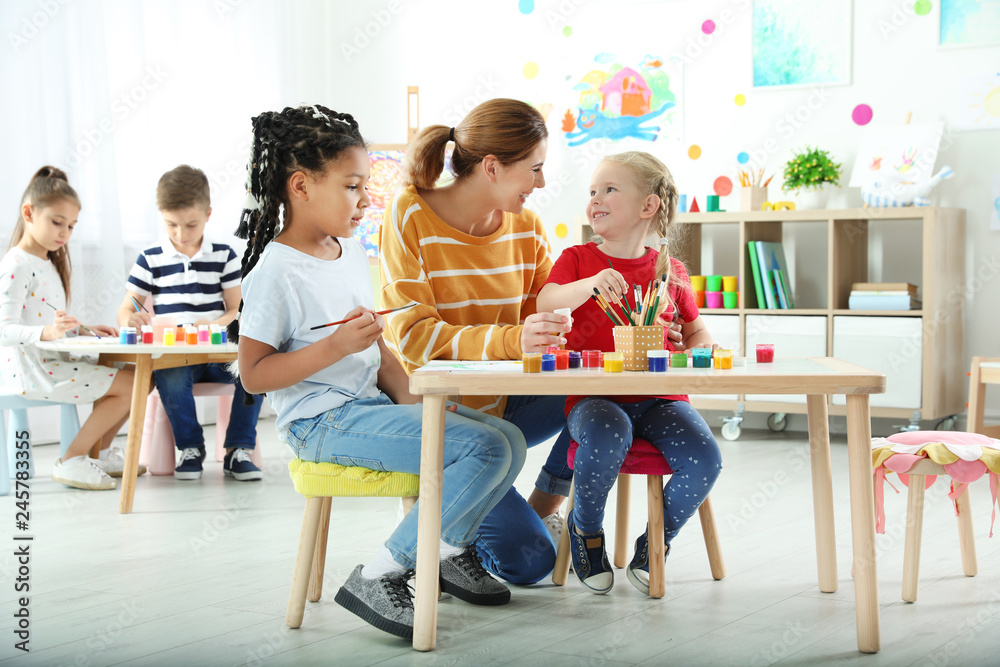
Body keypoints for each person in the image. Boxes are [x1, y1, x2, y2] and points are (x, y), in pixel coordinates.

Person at [229, 104, 527, 640]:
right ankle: (381, 572)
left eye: (365, 186)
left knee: (506, 437)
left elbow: (375, 351)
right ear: (300, 186)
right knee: (485, 449)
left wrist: (418, 399)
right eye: (352, 186)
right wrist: (335, 345)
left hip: (369, 407)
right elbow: (253, 375)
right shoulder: (276, 270)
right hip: (321, 424)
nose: (366, 199)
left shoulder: (346, 253)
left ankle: (444, 551)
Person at [377, 98, 576, 585]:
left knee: (596, 390)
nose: (542, 183)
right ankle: (454, 509)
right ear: (492, 167)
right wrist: (515, 340)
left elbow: (542, 315)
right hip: (445, 422)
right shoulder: (410, 216)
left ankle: (541, 505)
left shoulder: (526, 227)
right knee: (530, 563)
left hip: (508, 406)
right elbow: (416, 339)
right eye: (535, 169)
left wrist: (569, 321)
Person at [535, 151, 723, 595]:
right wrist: (590, 285)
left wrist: (696, 348)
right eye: (592, 192)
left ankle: (657, 542)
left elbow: (697, 332)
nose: (595, 199)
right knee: (607, 432)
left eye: (609, 189)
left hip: (661, 399)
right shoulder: (579, 260)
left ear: (648, 206)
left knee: (706, 459)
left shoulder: (670, 271)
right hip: (594, 400)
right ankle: (586, 533)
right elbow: (547, 301)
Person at [117, 165, 262, 481]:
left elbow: (235, 310)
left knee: (255, 369)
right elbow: (125, 311)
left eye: (191, 225)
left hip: (215, 354)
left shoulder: (223, 256)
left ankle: (238, 449)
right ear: (162, 217)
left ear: (208, 214)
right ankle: (190, 448)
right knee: (169, 373)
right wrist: (133, 318)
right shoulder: (150, 258)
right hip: (176, 355)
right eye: (171, 225)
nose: (181, 234)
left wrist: (211, 326)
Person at [0, 167, 137, 490]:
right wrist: (47, 334)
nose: (64, 233)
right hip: (31, 370)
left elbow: (46, 320)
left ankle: (98, 453)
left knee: (142, 377)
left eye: (71, 226)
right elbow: (5, 330)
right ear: (29, 213)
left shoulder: (46, 262)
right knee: (132, 384)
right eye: (57, 222)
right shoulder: (17, 264)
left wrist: (81, 330)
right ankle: (72, 459)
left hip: (50, 362)